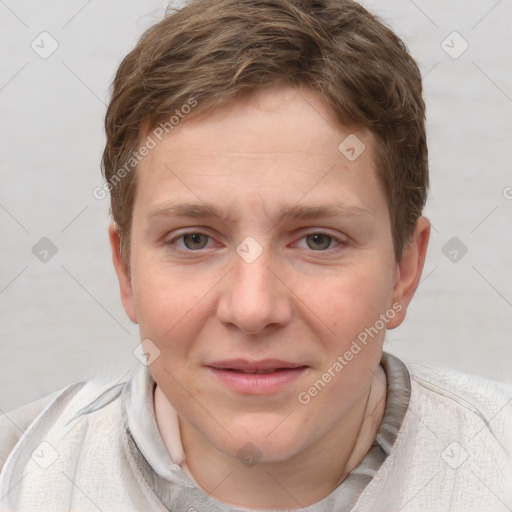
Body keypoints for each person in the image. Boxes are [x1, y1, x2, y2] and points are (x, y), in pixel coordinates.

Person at [1, 0, 510, 510]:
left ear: (404, 271)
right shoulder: (17, 474)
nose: (252, 309)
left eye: (318, 240)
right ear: (126, 271)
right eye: (194, 240)